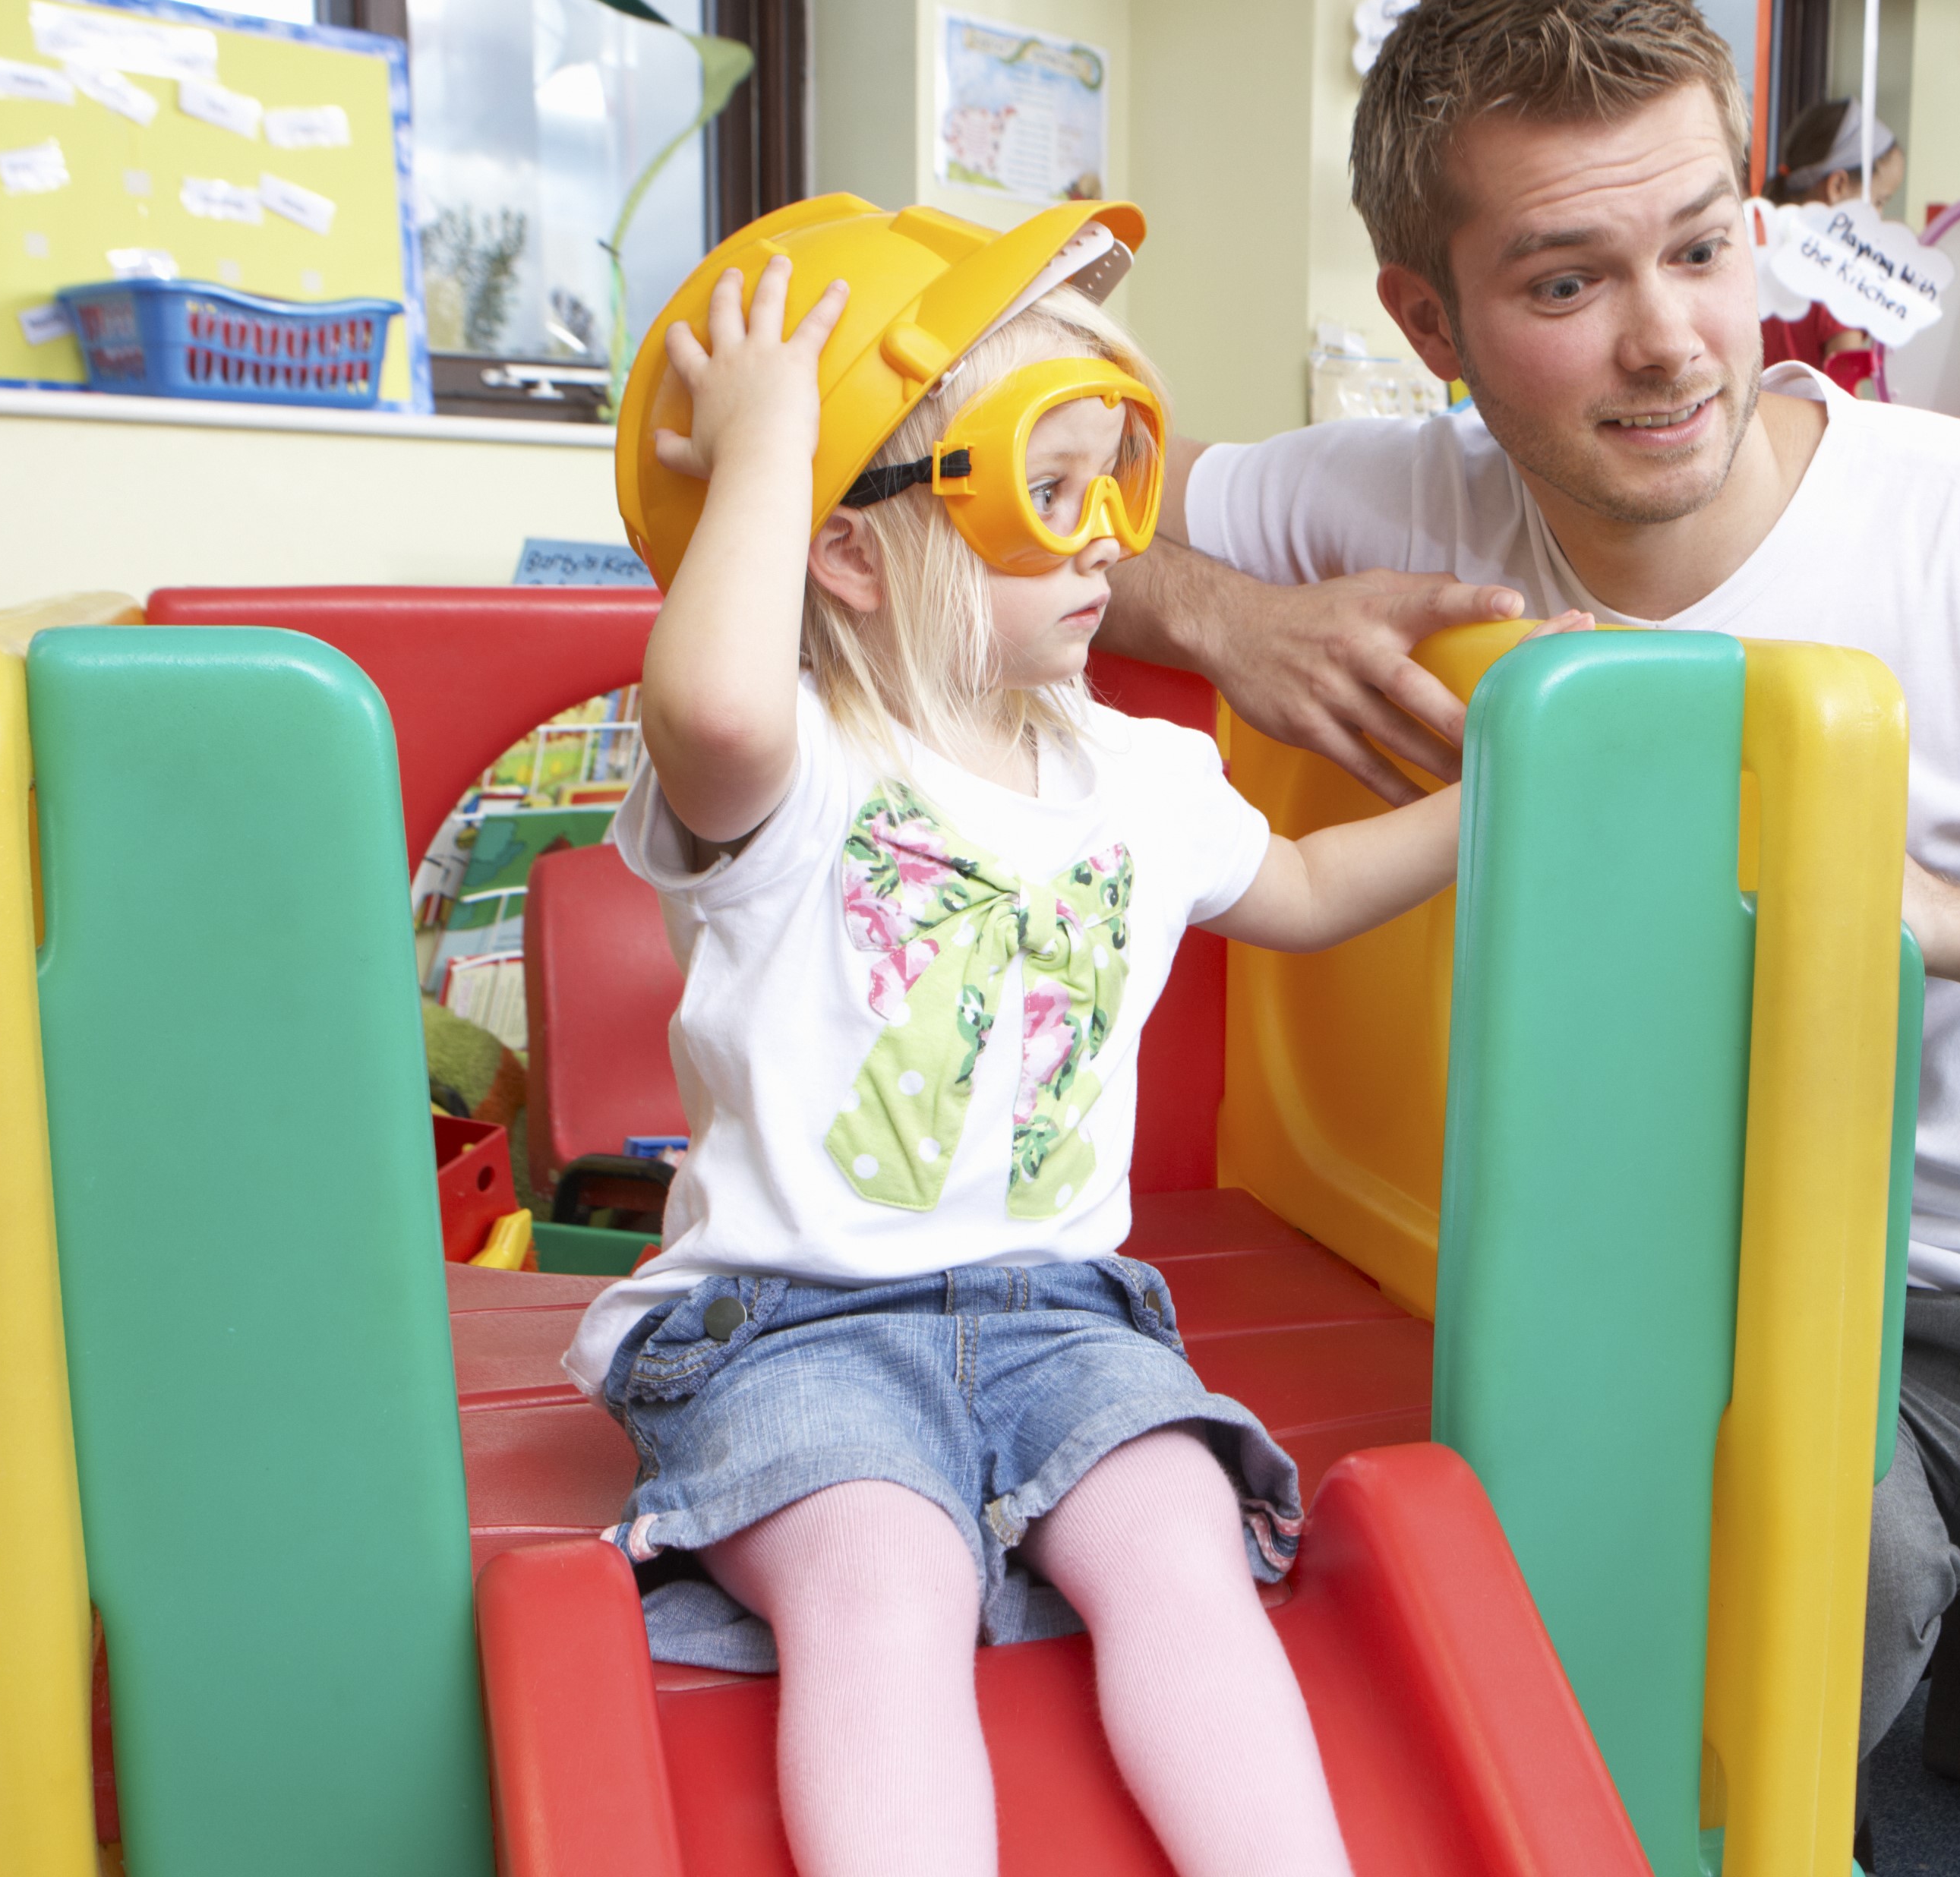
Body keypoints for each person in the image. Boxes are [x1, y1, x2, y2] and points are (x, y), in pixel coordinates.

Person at [1104, 0, 1960, 1877]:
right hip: (1638, 1309)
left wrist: (1932, 917)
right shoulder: (1394, 497)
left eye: (1703, 249)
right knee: (1783, 1676)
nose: (1671, 341)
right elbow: (1000, 501)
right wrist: (1222, 610)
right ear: (1430, 320)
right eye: (1567, 282)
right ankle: (1937, 1636)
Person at [576, 197, 1572, 1877]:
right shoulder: (801, 771)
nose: (1112, 538)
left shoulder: (1142, 774)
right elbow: (715, 699)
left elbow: (1306, 885)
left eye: (1123, 477)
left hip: (1062, 1313)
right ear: (849, 551)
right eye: (1053, 492)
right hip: (792, 1329)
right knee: (884, 1578)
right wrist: (765, 450)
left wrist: (1512, 784)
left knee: (1180, 1534)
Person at [1759, 93, 1908, 395]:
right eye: (1879, 202)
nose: (1879, 217)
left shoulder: (1752, 254)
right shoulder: (1840, 279)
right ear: (1837, 186)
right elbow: (1846, 398)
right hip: (1808, 426)